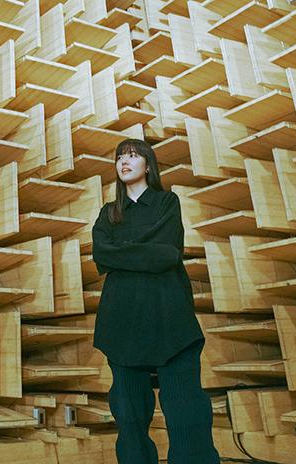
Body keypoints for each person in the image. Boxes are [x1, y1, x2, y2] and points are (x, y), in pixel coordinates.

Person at [92, 138, 219, 464]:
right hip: (121, 324)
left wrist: (121, 252)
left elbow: (166, 254)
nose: (125, 161)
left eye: (133, 155)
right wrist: (142, 251)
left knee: (187, 416)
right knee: (130, 420)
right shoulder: (109, 213)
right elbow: (101, 255)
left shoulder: (167, 202)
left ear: (148, 165)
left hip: (170, 319)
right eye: (120, 156)